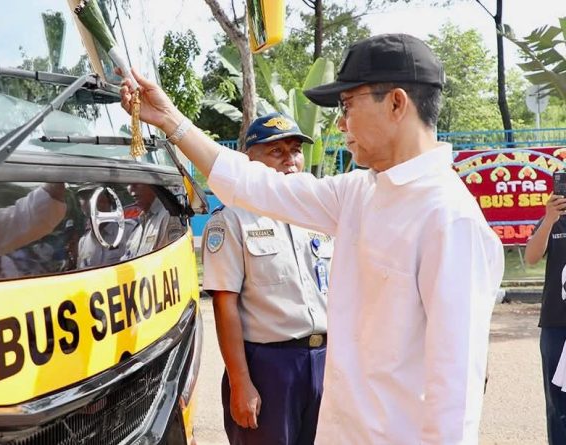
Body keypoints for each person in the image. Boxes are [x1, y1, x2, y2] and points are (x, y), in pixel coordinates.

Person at [118, 33, 504, 443]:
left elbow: (455, 390)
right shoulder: (360, 192)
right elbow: (255, 185)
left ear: (396, 103)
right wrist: (172, 121)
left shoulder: (449, 220)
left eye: (348, 105)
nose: (341, 122)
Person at [202, 112, 331, 445]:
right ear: (249, 160)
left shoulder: (318, 214)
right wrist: (240, 382)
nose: (290, 160)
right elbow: (224, 305)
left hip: (325, 359)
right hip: (271, 367)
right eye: (277, 151)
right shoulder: (232, 220)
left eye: (295, 150)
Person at [524, 192, 566, 444]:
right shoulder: (554, 219)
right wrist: (549, 219)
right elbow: (530, 258)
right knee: (556, 401)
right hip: (556, 323)